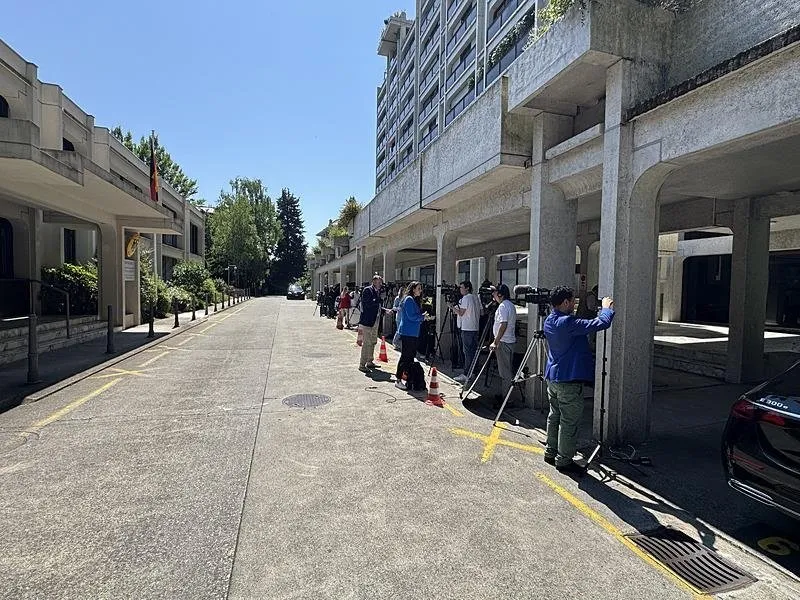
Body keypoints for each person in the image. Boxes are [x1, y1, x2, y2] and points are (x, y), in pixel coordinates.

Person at [543, 285, 615, 476]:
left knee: (554, 416)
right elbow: (601, 323)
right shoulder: (568, 322)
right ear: (565, 302)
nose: (575, 305)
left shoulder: (549, 320)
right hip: (569, 379)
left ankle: (551, 451)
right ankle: (564, 460)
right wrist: (606, 308)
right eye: (573, 301)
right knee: (569, 422)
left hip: (553, 377)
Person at [489, 284, 517, 407]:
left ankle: (507, 400)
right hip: (508, 341)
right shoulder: (510, 305)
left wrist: (495, 342)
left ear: (500, 294)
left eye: (495, 292)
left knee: (505, 372)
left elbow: (503, 324)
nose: (493, 295)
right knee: (506, 369)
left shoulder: (503, 306)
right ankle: (505, 395)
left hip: (503, 342)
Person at [395, 281, 427, 389]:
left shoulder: (413, 300)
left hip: (412, 332)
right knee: (405, 356)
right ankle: (398, 379)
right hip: (408, 332)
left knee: (410, 357)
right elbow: (411, 316)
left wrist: (422, 316)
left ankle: (408, 377)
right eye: (418, 289)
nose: (420, 291)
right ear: (413, 289)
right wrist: (422, 317)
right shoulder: (409, 299)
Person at [451, 281, 480, 383]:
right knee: (473, 351)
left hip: (467, 328)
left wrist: (452, 307)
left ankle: (467, 373)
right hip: (475, 327)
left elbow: (461, 313)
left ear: (467, 288)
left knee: (467, 352)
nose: (460, 289)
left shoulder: (466, 298)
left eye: (462, 287)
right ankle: (473, 371)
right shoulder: (476, 297)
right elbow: (482, 312)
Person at [358, 275, 384, 373]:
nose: (380, 284)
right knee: (367, 343)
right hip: (367, 321)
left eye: (381, 282)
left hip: (375, 320)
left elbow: (377, 305)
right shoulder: (367, 290)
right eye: (379, 282)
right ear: (374, 282)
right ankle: (362, 364)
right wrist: (378, 300)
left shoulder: (377, 292)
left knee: (373, 341)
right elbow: (367, 304)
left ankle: (370, 361)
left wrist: (384, 310)